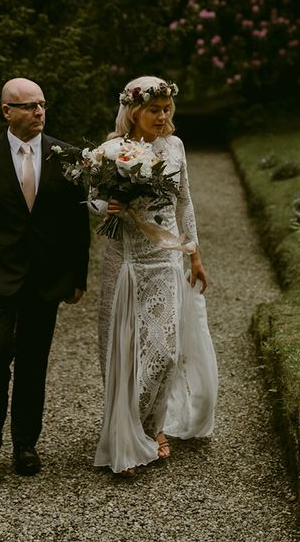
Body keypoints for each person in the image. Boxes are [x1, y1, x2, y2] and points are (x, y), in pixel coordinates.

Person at [0, 77, 90, 479]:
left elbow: (75, 224)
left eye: (42, 104)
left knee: (33, 361)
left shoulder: (66, 155)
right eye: (29, 106)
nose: (39, 112)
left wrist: (77, 275)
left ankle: (25, 444)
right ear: (7, 112)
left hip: (45, 278)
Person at [92, 75, 217, 476]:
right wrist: (104, 206)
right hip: (125, 262)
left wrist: (195, 255)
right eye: (154, 110)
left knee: (163, 351)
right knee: (124, 351)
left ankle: (149, 424)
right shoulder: (111, 151)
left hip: (166, 262)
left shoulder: (175, 147)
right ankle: (128, 436)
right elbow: (92, 200)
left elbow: (185, 202)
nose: (162, 117)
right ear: (134, 112)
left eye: (166, 110)